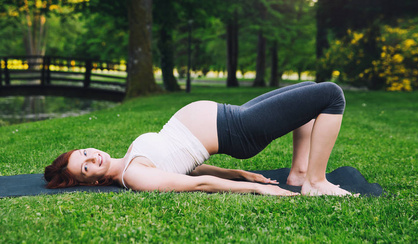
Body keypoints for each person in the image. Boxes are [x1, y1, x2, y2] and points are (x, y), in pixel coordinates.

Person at [45, 82, 355, 196]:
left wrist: (237, 172)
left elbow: (186, 168)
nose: (92, 157)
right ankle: (315, 181)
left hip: (234, 115)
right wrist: (255, 187)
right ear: (93, 182)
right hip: (239, 129)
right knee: (330, 95)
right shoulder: (134, 175)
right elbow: (196, 184)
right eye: (86, 167)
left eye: (85, 152)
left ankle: (300, 173)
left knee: (308, 88)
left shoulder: (129, 161)